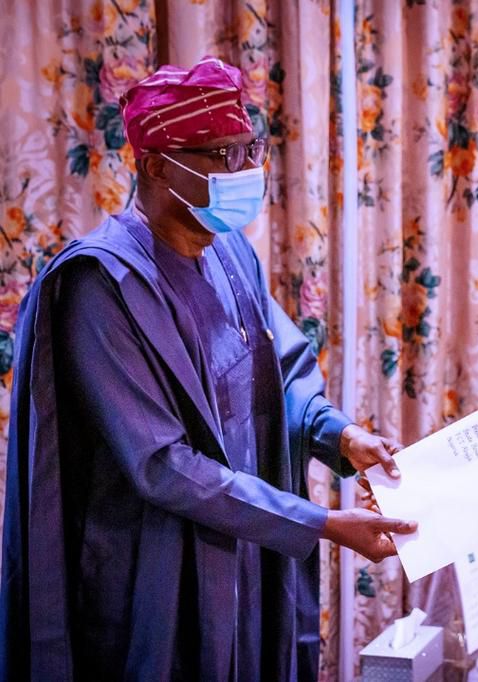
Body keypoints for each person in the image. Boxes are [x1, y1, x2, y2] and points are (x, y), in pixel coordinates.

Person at [0, 57, 415, 681]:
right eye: (223, 156)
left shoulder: (230, 256)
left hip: (247, 558)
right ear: (156, 165)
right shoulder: (99, 286)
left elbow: (279, 381)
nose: (248, 171)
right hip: (157, 582)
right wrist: (322, 523)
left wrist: (341, 435)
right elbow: (161, 464)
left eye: (251, 148)